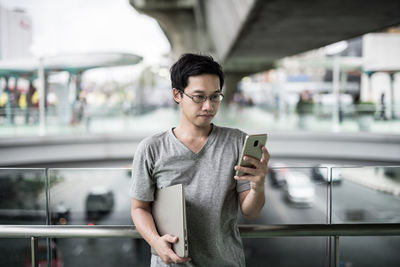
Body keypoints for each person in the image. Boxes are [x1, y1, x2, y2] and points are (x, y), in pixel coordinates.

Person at [130, 53, 270, 266]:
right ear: (177, 95)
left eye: (215, 96)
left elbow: (250, 211)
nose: (208, 106)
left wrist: (258, 185)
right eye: (199, 97)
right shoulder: (151, 148)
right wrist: (156, 242)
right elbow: (139, 208)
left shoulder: (237, 142)